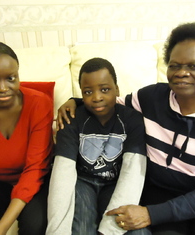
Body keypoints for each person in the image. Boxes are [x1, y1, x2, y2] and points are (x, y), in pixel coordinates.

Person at [56, 22, 195, 235]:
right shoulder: (151, 98)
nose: (182, 73)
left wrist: (150, 214)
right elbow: (108, 102)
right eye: (174, 65)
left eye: (194, 66)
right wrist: (74, 101)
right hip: (156, 192)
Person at [46, 58, 150, 235]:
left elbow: (132, 173)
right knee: (81, 229)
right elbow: (62, 174)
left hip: (116, 183)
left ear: (117, 89)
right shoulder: (70, 119)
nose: (96, 97)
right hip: (83, 182)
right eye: (88, 92)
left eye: (105, 89)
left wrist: (108, 231)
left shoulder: (132, 120)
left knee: (135, 231)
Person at [0, 41, 54, 235]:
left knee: (35, 227)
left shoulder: (39, 104)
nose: (3, 88)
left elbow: (35, 167)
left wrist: (0, 230)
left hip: (36, 180)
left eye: (10, 78)